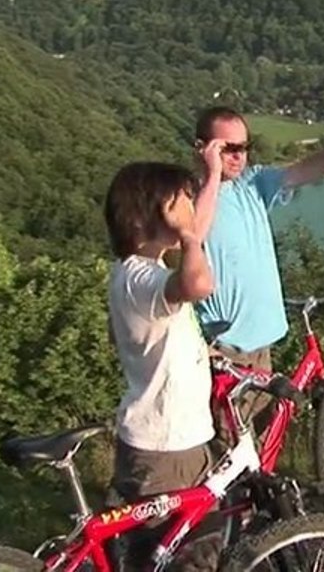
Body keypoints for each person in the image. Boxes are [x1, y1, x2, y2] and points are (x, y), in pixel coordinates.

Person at [191, 107, 324, 437]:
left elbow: (300, 172)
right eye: (229, 148)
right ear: (202, 148)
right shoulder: (186, 197)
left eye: (244, 146)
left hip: (260, 345)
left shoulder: (251, 185)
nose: (240, 156)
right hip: (223, 348)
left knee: (260, 447)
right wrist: (211, 176)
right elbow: (193, 235)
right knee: (227, 451)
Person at [103, 160, 220, 566]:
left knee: (169, 546)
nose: (188, 209)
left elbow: (127, 334)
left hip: (168, 438)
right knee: (179, 555)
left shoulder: (132, 275)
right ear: (143, 217)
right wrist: (190, 237)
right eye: (180, 202)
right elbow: (199, 285)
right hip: (167, 447)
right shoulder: (141, 277)